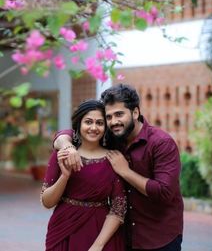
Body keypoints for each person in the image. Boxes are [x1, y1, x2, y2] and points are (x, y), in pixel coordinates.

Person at [54, 84, 184, 251]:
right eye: (109, 117)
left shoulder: (161, 143)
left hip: (159, 238)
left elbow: (164, 192)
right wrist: (67, 145)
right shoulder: (112, 136)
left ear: (135, 112)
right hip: (123, 236)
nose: (114, 122)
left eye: (119, 114)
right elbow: (71, 133)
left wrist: (125, 171)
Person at [41, 99, 127, 251]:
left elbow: (117, 209)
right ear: (79, 124)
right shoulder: (62, 153)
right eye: (88, 122)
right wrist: (65, 176)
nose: (94, 127)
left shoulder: (114, 159)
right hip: (63, 228)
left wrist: (97, 246)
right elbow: (47, 202)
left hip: (100, 232)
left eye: (100, 123)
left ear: (106, 127)